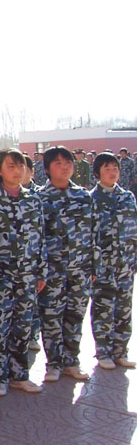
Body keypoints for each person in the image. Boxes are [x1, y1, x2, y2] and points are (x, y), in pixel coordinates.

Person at [0, 149, 47, 396]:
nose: (17, 170)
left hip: (27, 274)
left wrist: (41, 271)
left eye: (20, 166)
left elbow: (40, 237)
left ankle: (19, 375)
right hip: (0, 276)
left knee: (23, 325)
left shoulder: (33, 200)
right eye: (11, 166)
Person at [37, 146, 95, 382]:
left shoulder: (84, 196)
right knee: (51, 317)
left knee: (75, 315)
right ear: (47, 169)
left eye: (68, 162)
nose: (64, 167)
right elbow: (36, 238)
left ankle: (72, 361)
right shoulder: (39, 198)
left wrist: (93, 266)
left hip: (80, 269)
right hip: (52, 271)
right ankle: (54, 363)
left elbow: (93, 233)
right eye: (58, 163)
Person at [90, 152, 137, 369]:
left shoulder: (127, 197)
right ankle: (103, 352)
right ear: (97, 173)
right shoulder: (91, 199)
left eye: (115, 168)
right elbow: (88, 235)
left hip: (125, 263)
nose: (113, 172)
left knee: (124, 308)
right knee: (103, 308)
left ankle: (120, 351)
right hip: (103, 266)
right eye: (107, 168)